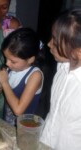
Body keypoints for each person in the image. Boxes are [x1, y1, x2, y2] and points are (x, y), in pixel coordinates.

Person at [40, 9, 81, 150]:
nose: (49, 44)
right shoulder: (61, 68)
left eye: (56, 42)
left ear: (78, 52)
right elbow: (54, 115)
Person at [0, 27, 45, 126]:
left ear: (30, 59)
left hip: (24, 129)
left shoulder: (35, 76)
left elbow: (18, 110)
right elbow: (7, 92)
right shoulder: (12, 69)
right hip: (8, 123)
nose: (7, 63)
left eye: (13, 61)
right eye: (6, 58)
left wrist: (5, 82)